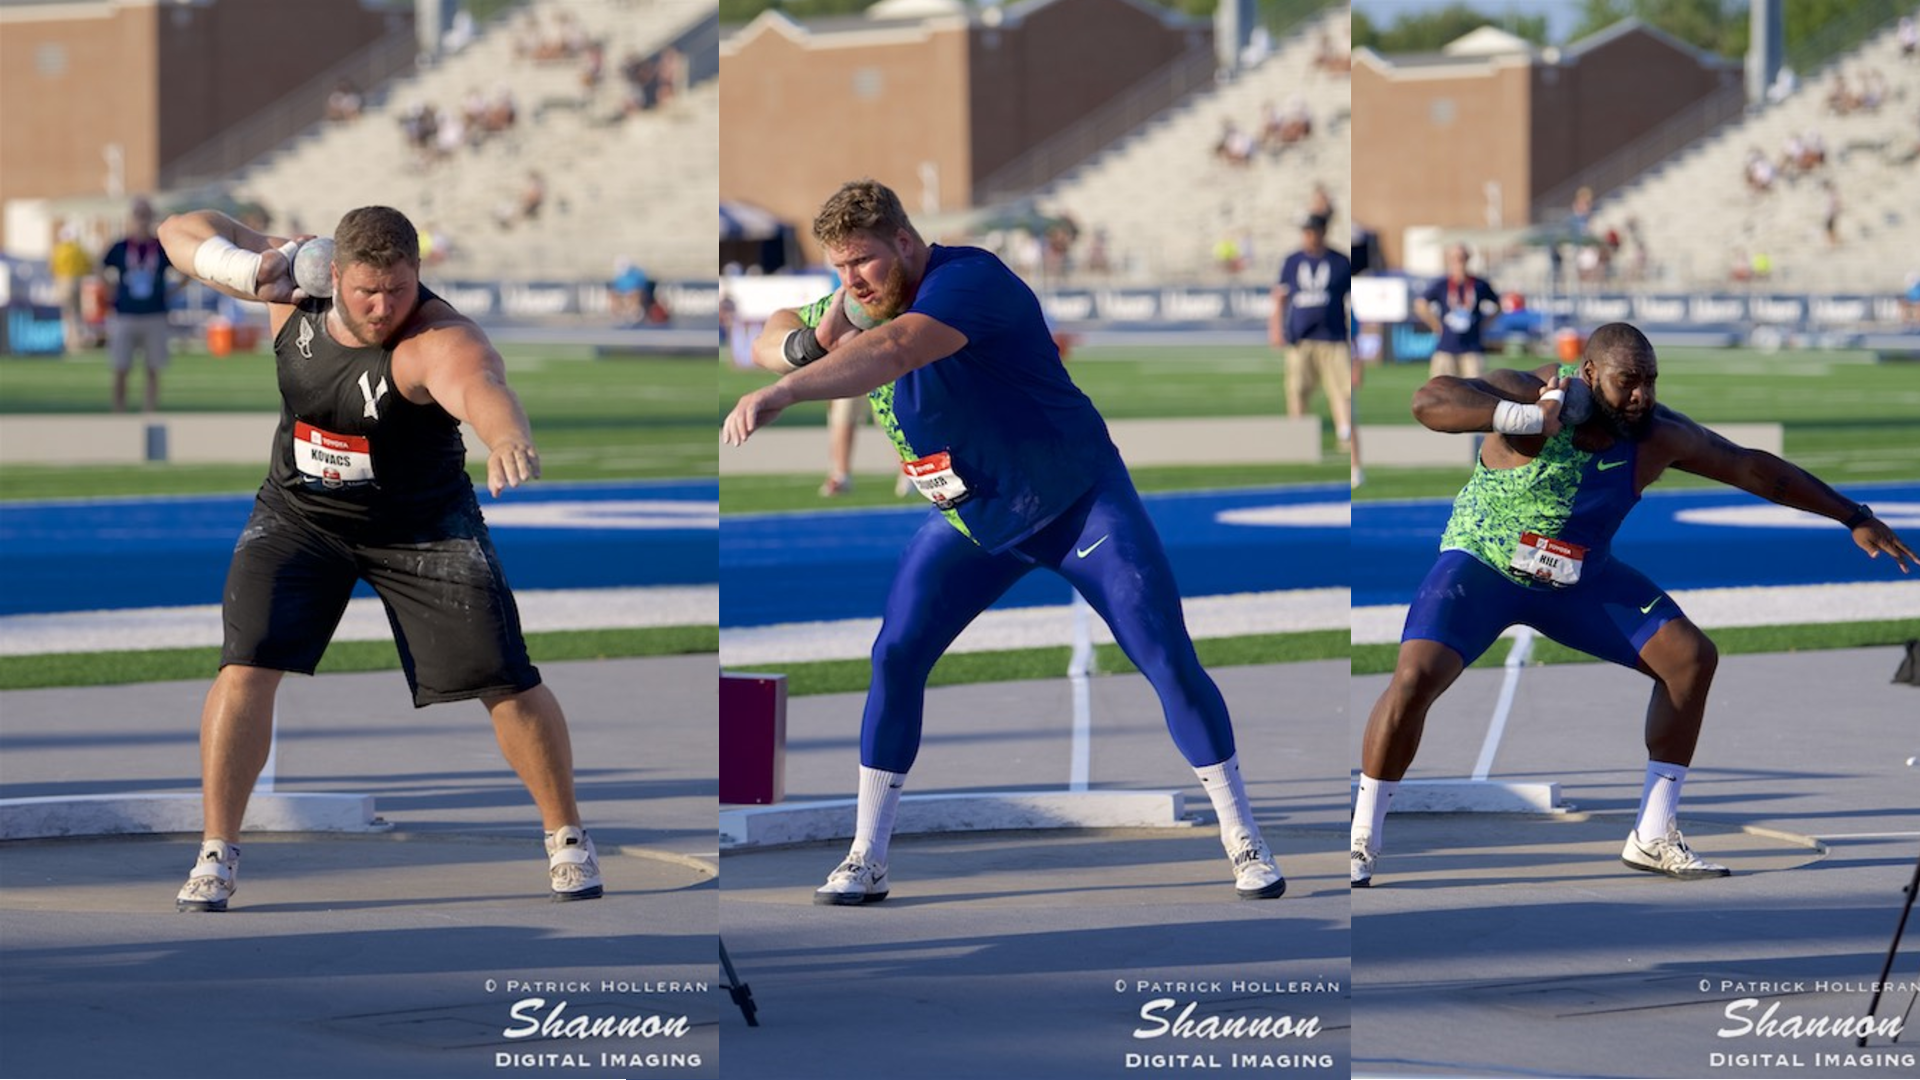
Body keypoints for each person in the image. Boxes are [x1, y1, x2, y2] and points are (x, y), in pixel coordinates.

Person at [725, 179, 1285, 903]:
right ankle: (868, 855)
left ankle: (1243, 833)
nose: (851, 281)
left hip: (1075, 503)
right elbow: (770, 333)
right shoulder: (860, 303)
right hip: (973, 519)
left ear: (904, 241)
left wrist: (783, 391)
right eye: (837, 269)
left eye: (861, 261)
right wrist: (806, 343)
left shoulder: (969, 279)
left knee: (1164, 657)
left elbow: (895, 351)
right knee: (895, 655)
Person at [1350, 323, 1916, 887]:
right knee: (1416, 676)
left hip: (1578, 580)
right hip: (1485, 564)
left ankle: (1653, 833)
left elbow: (1752, 468)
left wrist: (1853, 516)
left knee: (1690, 658)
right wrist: (1525, 418)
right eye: (1628, 382)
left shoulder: (1657, 433)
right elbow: (1430, 400)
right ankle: (1364, 838)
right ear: (1590, 374)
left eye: (1650, 380)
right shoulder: (1530, 390)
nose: (1642, 395)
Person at [155, 204, 601, 911]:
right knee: (246, 665)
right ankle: (217, 852)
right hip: (300, 516)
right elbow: (180, 229)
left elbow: (480, 385)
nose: (383, 307)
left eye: (398, 290)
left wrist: (506, 435)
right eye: (366, 292)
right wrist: (243, 270)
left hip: (422, 529)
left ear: (416, 274)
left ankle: (567, 837)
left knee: (504, 679)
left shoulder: (435, 338)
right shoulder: (291, 287)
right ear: (333, 274)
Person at [1271, 212, 1359, 486]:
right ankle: (1298, 439)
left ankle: (1345, 436)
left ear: (1323, 231)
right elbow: (1280, 297)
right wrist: (1275, 327)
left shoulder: (1340, 261)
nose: (1309, 236)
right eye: (1305, 231)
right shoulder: (1292, 261)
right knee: (1297, 389)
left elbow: (1352, 304)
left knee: (1341, 391)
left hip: (1333, 338)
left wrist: (1356, 340)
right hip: (1301, 339)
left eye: (1313, 230)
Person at [102, 198, 175, 412]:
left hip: (155, 313)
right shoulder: (121, 246)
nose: (142, 220)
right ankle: (119, 410)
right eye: (138, 215)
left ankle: (149, 411)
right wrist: (110, 289)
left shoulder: (160, 247)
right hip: (125, 313)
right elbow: (101, 265)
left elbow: (185, 268)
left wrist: (172, 291)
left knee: (153, 367)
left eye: (146, 215)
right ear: (131, 218)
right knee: (120, 366)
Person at [1417, 243, 1500, 379]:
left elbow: (1499, 305)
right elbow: (1420, 304)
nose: (1458, 261)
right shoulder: (1442, 285)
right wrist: (1436, 325)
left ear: (1468, 259)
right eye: (1454, 258)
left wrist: (1485, 323)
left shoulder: (1479, 284)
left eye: (1462, 257)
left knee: (1475, 392)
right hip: (1446, 349)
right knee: (1443, 392)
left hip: (1472, 348)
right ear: (1449, 260)